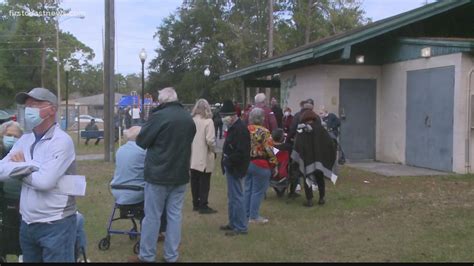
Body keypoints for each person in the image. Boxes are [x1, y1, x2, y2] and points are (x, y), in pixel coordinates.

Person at [0, 87, 78, 262]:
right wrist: (32, 166)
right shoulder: (24, 139)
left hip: (56, 224)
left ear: (52, 109)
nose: (29, 108)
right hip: (27, 224)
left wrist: (19, 166)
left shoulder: (61, 141)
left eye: (35, 104)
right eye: (27, 105)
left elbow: (45, 182)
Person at [130, 87, 196, 263]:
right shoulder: (187, 117)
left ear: (163, 101)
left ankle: (147, 255)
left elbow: (141, 141)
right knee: (174, 216)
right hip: (180, 173)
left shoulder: (159, 116)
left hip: (158, 174)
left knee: (152, 216)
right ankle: (171, 256)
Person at [111, 126, 166, 241]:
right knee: (160, 195)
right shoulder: (144, 151)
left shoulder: (120, 150)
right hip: (136, 191)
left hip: (117, 190)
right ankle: (157, 230)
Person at [291, 110, 337, 207]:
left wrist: (296, 157)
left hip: (307, 159)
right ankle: (322, 198)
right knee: (320, 178)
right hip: (319, 159)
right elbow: (329, 143)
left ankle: (309, 200)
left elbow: (297, 145)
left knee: (307, 178)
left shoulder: (302, 130)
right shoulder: (321, 129)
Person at [219, 100, 251, 236]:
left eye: (225, 116)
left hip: (236, 167)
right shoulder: (234, 127)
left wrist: (228, 160)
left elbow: (241, 152)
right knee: (232, 197)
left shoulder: (240, 129)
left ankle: (241, 226)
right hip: (231, 166)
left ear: (232, 116)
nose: (223, 119)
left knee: (237, 197)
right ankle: (233, 223)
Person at [244, 108, 277, 224]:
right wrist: (274, 164)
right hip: (260, 163)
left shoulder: (245, 130)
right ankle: (254, 216)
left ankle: (246, 214)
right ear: (262, 118)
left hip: (247, 163)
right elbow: (269, 150)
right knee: (258, 191)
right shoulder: (265, 132)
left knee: (247, 189)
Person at [190, 99, 218, 214]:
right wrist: (213, 150)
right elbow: (210, 140)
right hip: (204, 155)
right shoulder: (208, 122)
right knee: (204, 182)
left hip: (193, 156)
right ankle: (203, 205)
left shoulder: (192, 121)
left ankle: (195, 203)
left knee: (194, 181)